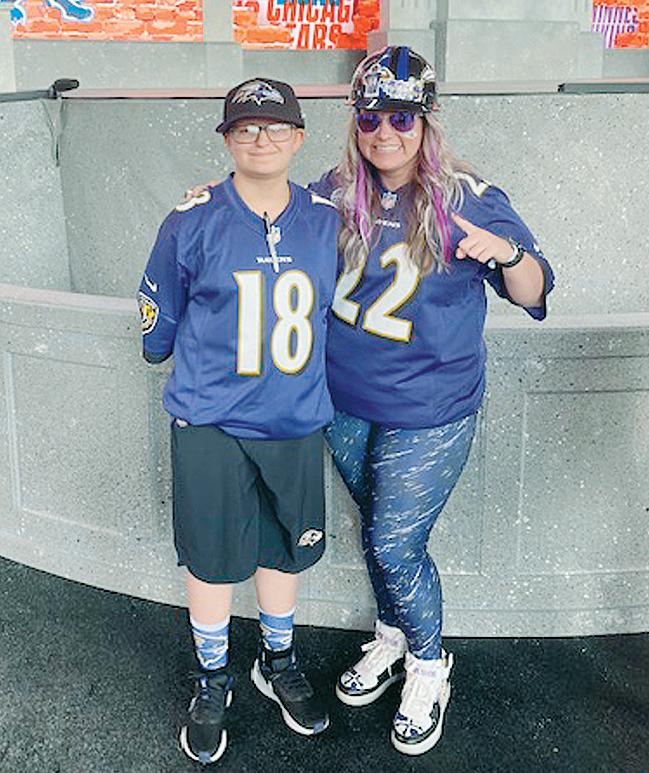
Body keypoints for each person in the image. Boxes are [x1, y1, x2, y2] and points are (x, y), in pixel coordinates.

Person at [185, 46, 555, 758]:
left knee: (393, 542)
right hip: (345, 400)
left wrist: (507, 256)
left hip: (430, 407)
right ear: (354, 121)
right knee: (378, 530)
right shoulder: (333, 190)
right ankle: (392, 634)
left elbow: (534, 289)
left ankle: (428, 665)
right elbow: (269, 215)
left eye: (401, 117)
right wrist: (224, 194)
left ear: (426, 121)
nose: (384, 131)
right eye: (370, 117)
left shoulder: (468, 196)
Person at [137, 78, 339, 766]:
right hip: (212, 420)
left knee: (283, 548)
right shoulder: (191, 219)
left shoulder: (326, 220)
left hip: (293, 418)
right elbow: (158, 314)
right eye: (245, 127)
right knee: (212, 555)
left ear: (299, 138)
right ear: (226, 138)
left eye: (275, 127)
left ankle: (277, 660)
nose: (261, 139)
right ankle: (212, 674)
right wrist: (161, 348)